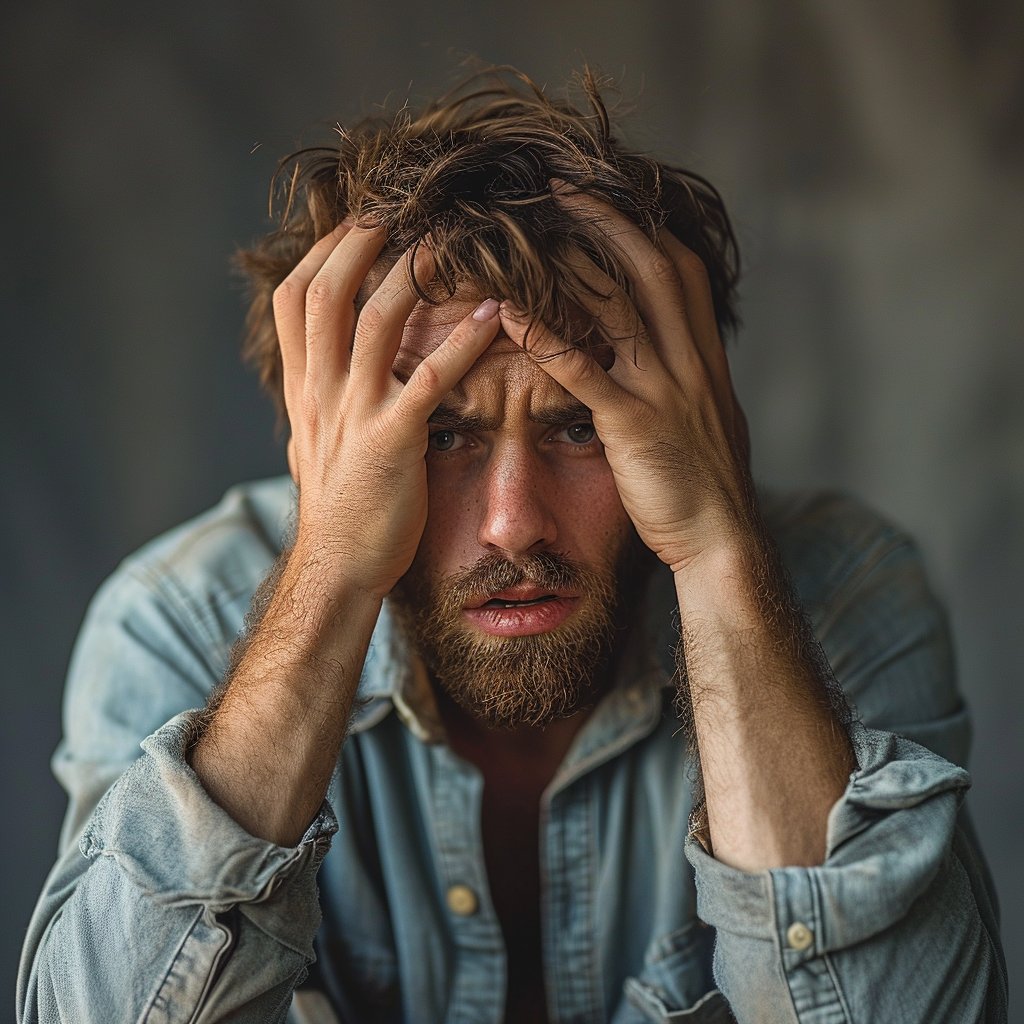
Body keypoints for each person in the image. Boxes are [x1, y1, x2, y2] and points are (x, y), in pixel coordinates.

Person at [18, 67, 1007, 1024]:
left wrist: (715, 552)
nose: (513, 521)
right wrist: (329, 572)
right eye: (438, 436)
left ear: (694, 417)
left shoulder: (843, 593)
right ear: (324, 444)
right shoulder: (176, 623)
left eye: (580, 425)